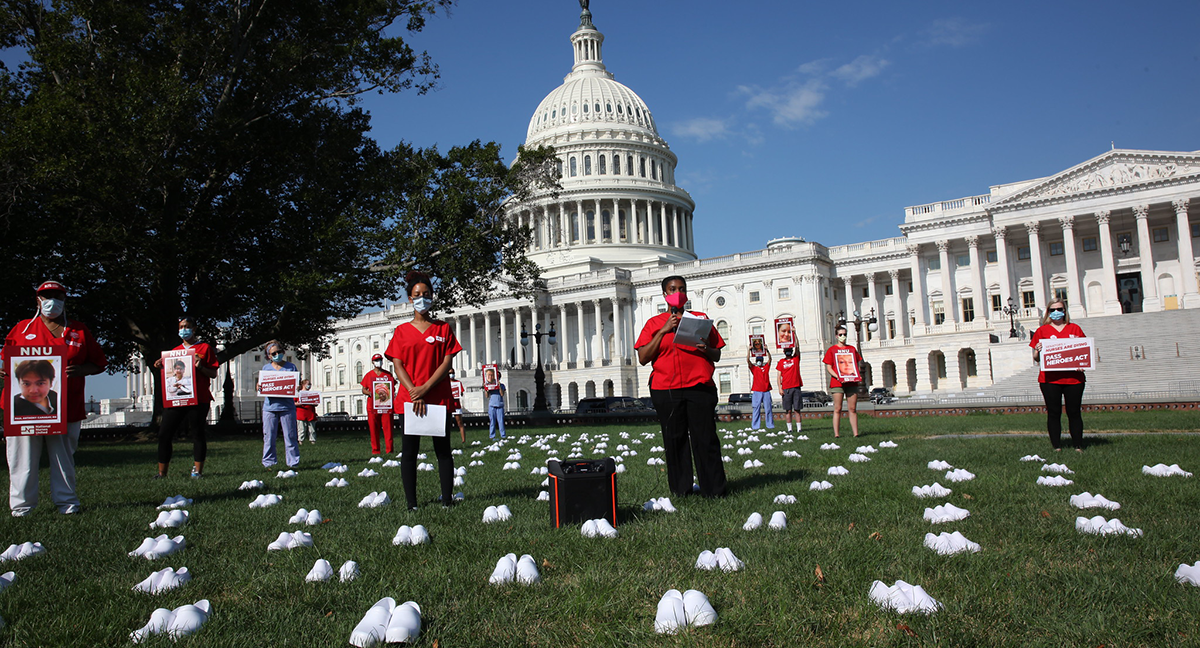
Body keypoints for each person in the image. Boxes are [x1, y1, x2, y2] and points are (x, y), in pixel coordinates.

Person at [1, 281, 107, 516]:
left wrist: (82, 370)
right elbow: (7, 359)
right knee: (22, 458)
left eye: (57, 296)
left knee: (63, 458)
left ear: (65, 299)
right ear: (37, 300)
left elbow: (98, 362)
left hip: (66, 406)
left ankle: (67, 504)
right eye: (46, 296)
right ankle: (22, 508)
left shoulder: (78, 330)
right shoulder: (21, 329)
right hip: (24, 410)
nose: (52, 301)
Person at [635, 275, 727, 498]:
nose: (678, 292)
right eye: (672, 289)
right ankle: (681, 490)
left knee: (705, 439)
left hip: (699, 386)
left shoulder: (700, 319)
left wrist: (705, 348)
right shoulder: (654, 324)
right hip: (666, 389)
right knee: (674, 440)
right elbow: (644, 357)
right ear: (664, 294)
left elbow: (717, 354)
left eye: (682, 288)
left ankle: (714, 490)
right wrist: (664, 330)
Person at [385, 271, 461, 510]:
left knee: (443, 450)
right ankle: (411, 503)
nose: (422, 299)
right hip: (410, 399)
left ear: (432, 297)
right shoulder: (401, 331)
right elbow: (397, 364)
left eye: (426, 294)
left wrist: (426, 388)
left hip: (437, 396)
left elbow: (447, 363)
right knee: (409, 451)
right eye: (417, 295)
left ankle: (447, 500)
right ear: (410, 298)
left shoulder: (443, 329)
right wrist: (414, 391)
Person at [152, 317, 219, 478]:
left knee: (197, 433)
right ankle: (162, 473)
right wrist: (160, 365)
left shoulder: (204, 348)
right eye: (181, 327)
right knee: (164, 434)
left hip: (199, 398)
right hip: (175, 399)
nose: (184, 329)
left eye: (188, 326)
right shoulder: (174, 352)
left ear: (194, 329)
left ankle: (198, 471)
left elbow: (213, 373)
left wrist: (200, 366)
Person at [1030, 299, 1087, 452]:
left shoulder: (1074, 329)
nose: (1056, 312)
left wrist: (1082, 363)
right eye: (1052, 310)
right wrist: (1038, 350)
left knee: (1074, 412)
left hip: (1074, 379)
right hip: (1050, 379)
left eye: (1059, 309)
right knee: (1053, 412)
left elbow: (1084, 352)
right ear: (1048, 312)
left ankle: (1078, 446)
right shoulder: (1042, 331)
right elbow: (1036, 359)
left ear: (1065, 310)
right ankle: (1057, 446)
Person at [258, 340, 300, 470]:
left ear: (283, 352)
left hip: (287, 407)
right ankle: (269, 463)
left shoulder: (291, 367)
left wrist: (296, 386)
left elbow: (296, 384)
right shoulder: (265, 369)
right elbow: (262, 387)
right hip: (270, 407)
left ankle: (293, 462)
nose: (277, 354)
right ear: (269, 356)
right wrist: (259, 386)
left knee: (290, 436)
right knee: (269, 436)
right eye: (273, 353)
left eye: (279, 352)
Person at [823, 325, 862, 438]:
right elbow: (829, 367)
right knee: (837, 408)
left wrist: (855, 374)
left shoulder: (852, 349)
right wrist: (838, 376)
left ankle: (856, 433)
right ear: (836, 336)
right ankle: (837, 434)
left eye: (844, 334)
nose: (843, 336)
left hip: (851, 382)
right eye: (840, 335)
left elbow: (856, 364)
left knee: (852, 408)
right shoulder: (832, 350)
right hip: (837, 382)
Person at [360, 353, 397, 455]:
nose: (378, 362)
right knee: (373, 429)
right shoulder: (369, 375)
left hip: (386, 406)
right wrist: (369, 393)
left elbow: (393, 386)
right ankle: (376, 451)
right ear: (373, 362)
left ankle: (389, 450)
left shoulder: (388, 374)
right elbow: (363, 389)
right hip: (372, 406)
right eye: (376, 360)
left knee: (388, 428)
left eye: (380, 360)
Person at [776, 347, 804, 432]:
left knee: (797, 409)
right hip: (786, 388)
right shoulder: (781, 362)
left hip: (796, 387)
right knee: (788, 410)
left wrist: (794, 335)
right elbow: (778, 376)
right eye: (786, 351)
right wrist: (780, 388)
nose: (788, 352)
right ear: (784, 352)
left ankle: (799, 428)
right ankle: (790, 429)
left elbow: (798, 348)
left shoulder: (795, 359)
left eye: (790, 351)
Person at [747, 347, 774, 431]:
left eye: (760, 360)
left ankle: (770, 425)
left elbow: (770, 359)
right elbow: (748, 361)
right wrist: (749, 350)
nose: (759, 362)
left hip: (766, 391)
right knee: (756, 408)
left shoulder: (766, 368)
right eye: (758, 360)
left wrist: (767, 350)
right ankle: (755, 426)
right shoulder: (754, 369)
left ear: (762, 361)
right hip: (757, 391)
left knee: (768, 409)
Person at [296, 379, 318, 445]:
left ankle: (313, 440)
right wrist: (299, 403)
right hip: (301, 413)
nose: (309, 386)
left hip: (310, 413)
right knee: (301, 428)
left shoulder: (312, 394)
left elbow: (316, 403)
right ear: (303, 385)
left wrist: (314, 403)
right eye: (308, 384)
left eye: (310, 384)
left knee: (312, 429)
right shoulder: (298, 393)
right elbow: (293, 403)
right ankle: (300, 441)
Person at [449, 369, 466, 443]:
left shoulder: (458, 383)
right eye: (450, 373)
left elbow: (461, 393)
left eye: (453, 373)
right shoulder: (446, 384)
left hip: (456, 405)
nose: (451, 374)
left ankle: (463, 439)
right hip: (449, 405)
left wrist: (458, 393)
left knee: (460, 423)